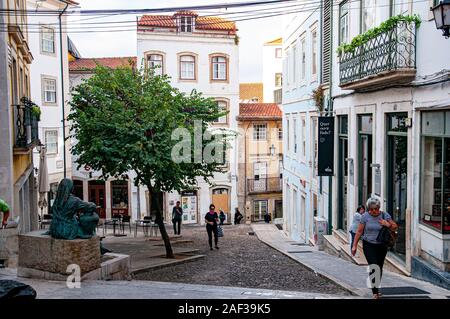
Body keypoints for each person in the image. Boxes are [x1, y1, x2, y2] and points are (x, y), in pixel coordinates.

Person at [351, 196, 398, 299]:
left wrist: (387, 224)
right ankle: (375, 293)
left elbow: (395, 227)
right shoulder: (365, 217)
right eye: (371, 209)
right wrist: (354, 246)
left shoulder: (385, 215)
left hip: (382, 245)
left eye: (376, 209)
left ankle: (376, 288)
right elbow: (359, 231)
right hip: (368, 245)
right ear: (368, 209)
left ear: (379, 207)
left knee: (379, 267)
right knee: (374, 266)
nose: (374, 211)